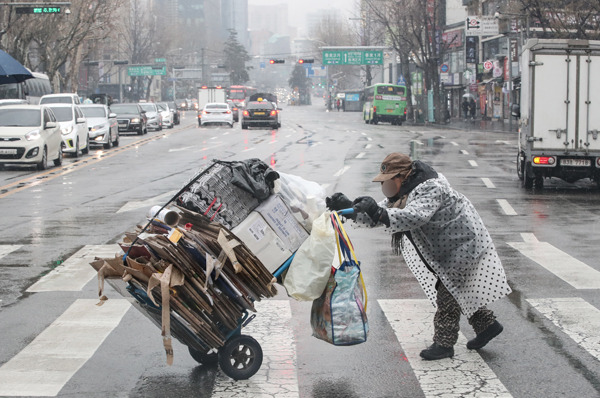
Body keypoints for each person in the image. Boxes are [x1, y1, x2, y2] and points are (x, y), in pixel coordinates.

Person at [326, 153, 511, 360]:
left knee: (447, 294)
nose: (384, 186)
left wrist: (378, 212)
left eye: (387, 181)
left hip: (462, 246)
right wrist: (348, 208)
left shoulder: (431, 188)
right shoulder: (402, 195)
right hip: (446, 250)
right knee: (458, 290)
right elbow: (380, 216)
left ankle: (444, 344)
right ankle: (487, 325)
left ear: (402, 176)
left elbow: (414, 216)